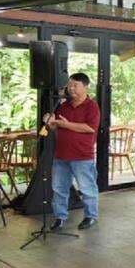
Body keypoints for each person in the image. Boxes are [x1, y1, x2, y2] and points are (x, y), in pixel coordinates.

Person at [44, 73, 100, 231]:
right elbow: (55, 127)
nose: (71, 88)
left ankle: (90, 216)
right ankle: (60, 218)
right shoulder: (63, 106)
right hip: (61, 156)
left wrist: (66, 124)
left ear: (85, 87)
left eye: (75, 85)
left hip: (82, 156)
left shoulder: (92, 106)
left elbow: (89, 128)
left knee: (87, 188)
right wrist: (50, 122)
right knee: (59, 189)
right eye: (69, 85)